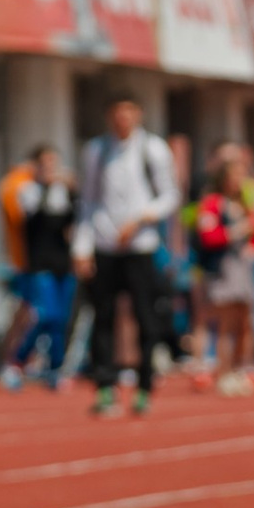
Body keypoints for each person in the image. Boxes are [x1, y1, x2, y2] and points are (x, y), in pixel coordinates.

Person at [76, 92, 181, 420]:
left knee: (146, 318)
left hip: (141, 247)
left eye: (129, 112)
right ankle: (105, 385)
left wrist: (142, 218)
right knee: (102, 317)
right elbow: (88, 201)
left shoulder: (153, 149)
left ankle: (144, 386)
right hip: (105, 247)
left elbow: (170, 195)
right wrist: (81, 247)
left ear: (139, 115)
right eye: (117, 113)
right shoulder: (96, 150)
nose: (123, 119)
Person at [0, 144, 80, 390]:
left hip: (63, 264)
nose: (50, 169)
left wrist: (73, 192)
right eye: (44, 163)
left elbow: (76, 220)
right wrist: (43, 186)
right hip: (38, 263)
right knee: (46, 315)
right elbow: (28, 218)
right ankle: (17, 361)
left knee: (60, 320)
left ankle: (55, 368)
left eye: (53, 163)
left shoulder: (64, 193)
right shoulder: (26, 190)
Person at [189, 143, 254, 393]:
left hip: (243, 268)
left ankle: (242, 367)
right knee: (224, 322)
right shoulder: (212, 203)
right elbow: (208, 235)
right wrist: (235, 232)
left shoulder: (246, 202)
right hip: (221, 268)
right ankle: (222, 371)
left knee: (245, 321)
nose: (240, 181)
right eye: (235, 176)